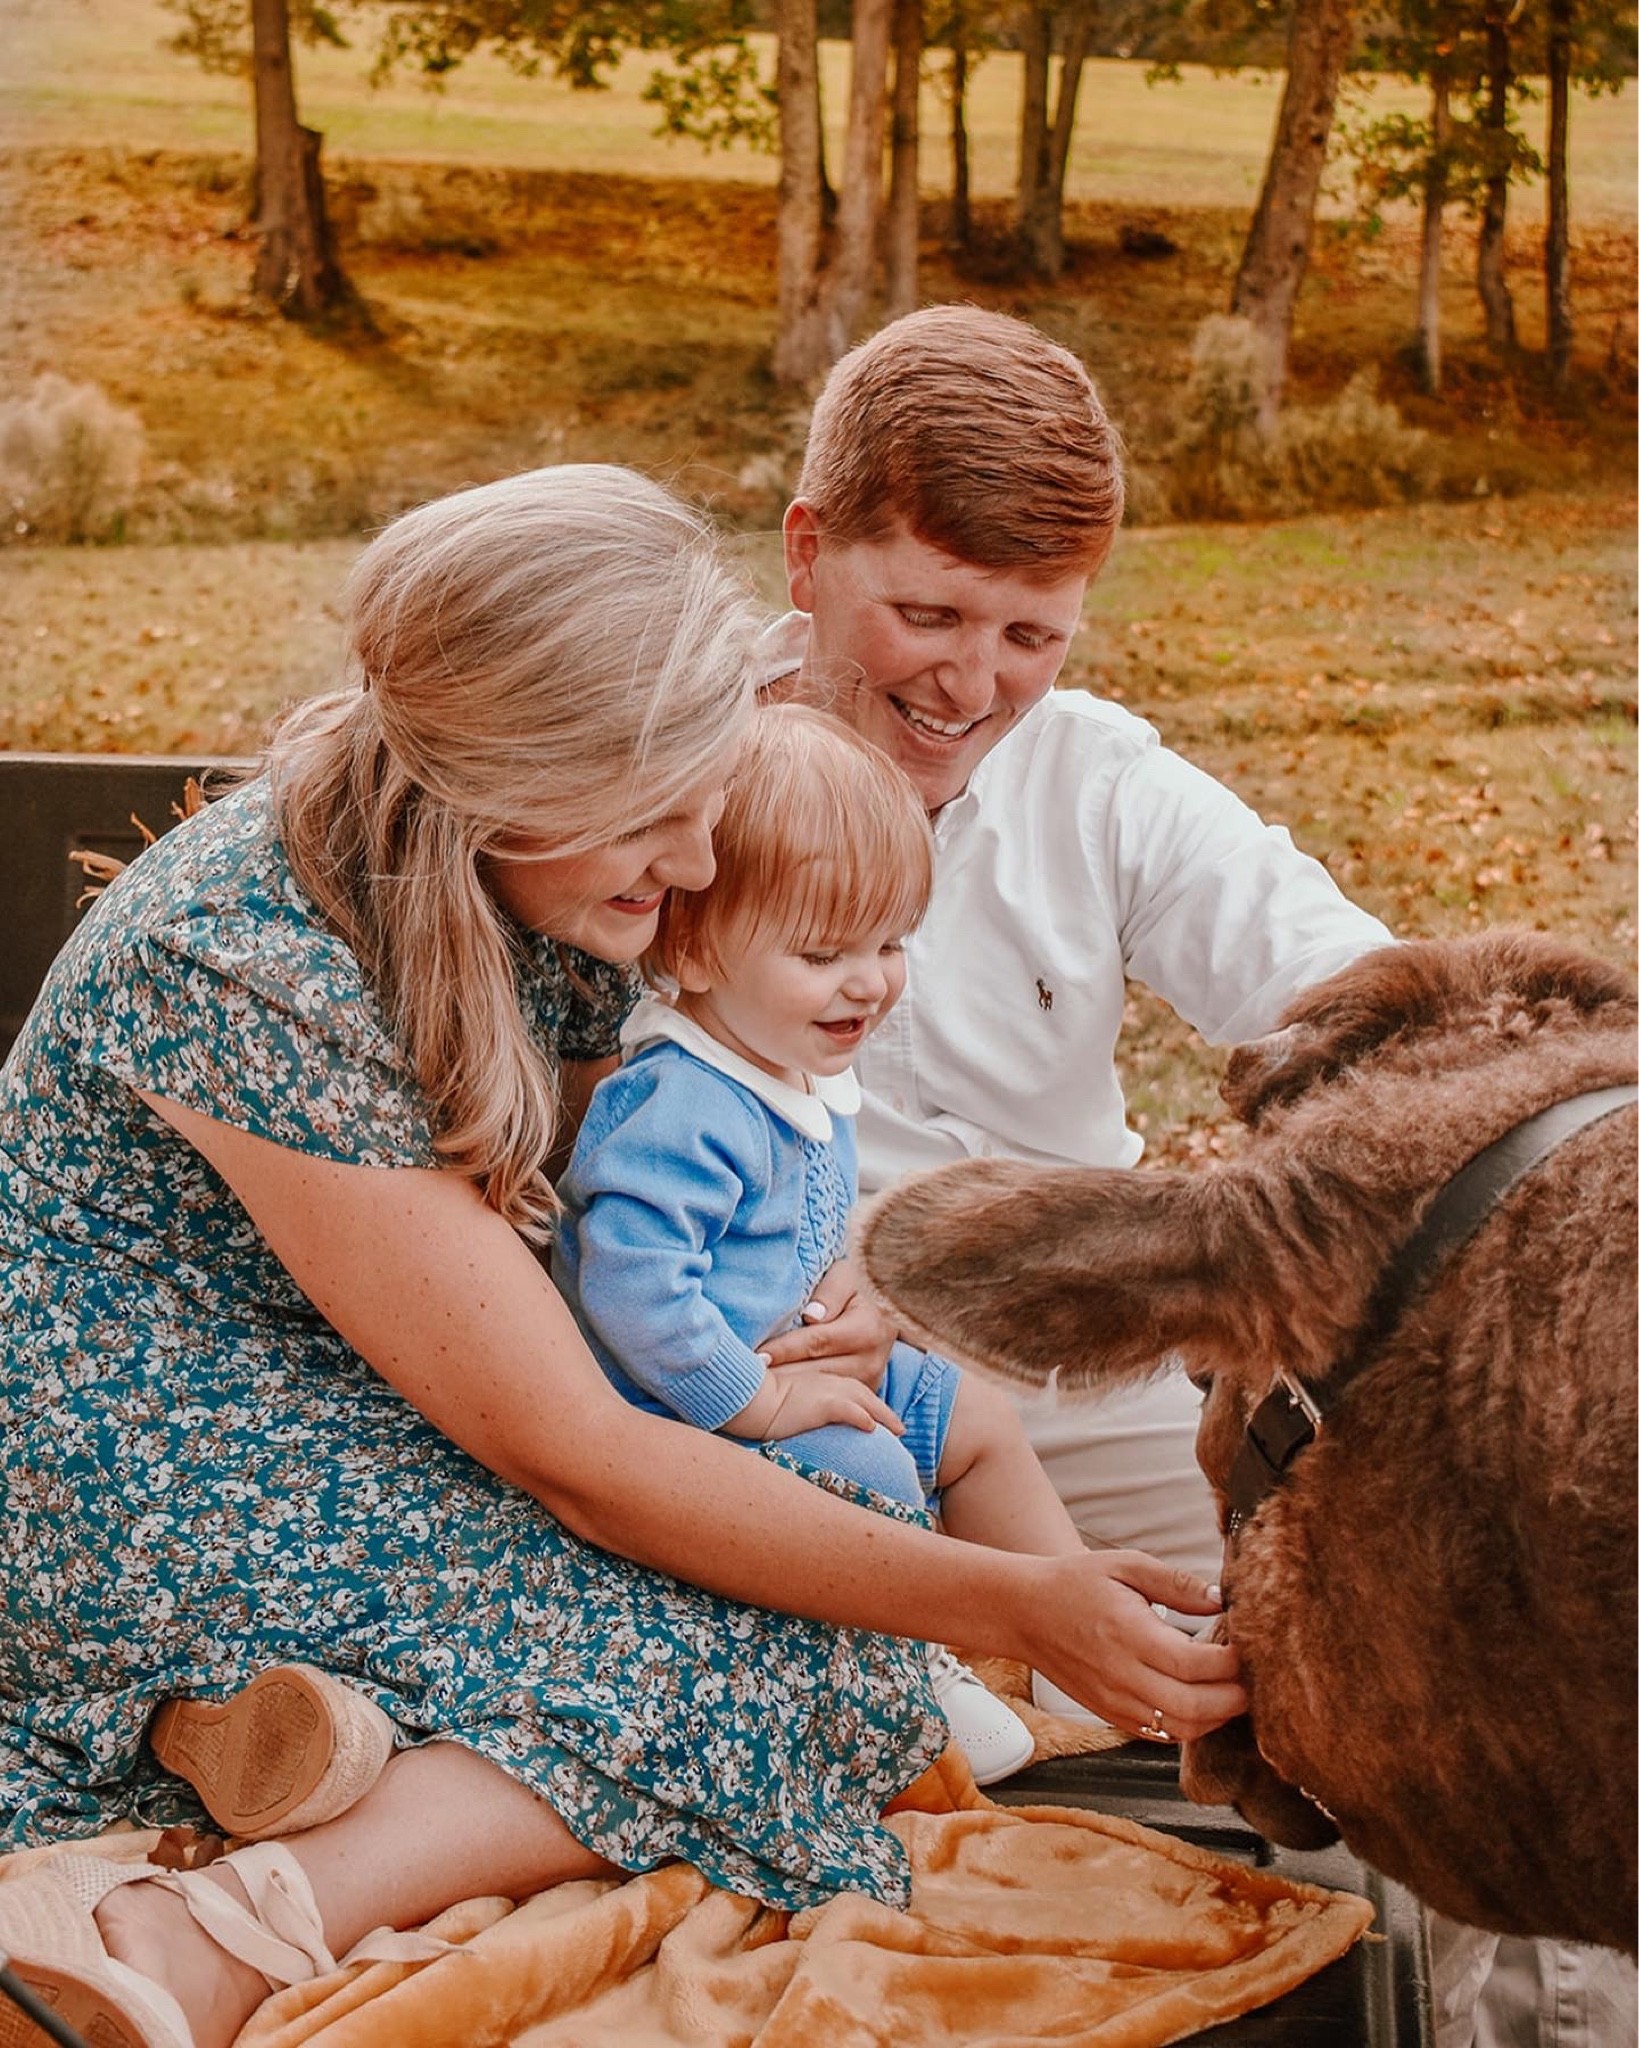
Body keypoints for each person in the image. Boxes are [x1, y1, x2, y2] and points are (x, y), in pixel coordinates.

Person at [0, 463, 1244, 2048]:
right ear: (507, 775)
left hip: (359, 1414)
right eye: (655, 812)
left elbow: (651, 1203)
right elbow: (579, 1454)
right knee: (787, 1650)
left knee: (801, 1574)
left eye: (701, 792)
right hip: (148, 1475)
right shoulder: (247, 969)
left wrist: (829, 1285)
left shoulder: (528, 878)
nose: (702, 857)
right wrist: (1014, 1603)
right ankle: (186, 1933)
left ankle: (295, 1743)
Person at [756, 307, 1635, 2047]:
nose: (966, 677)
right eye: (921, 611)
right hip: (734, 1374)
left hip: (1062, 1346)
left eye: (1027, 633)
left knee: (1439, 1618)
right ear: (805, 551)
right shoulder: (650, 756)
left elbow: (1372, 1015)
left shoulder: (1095, 781)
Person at [555, 702, 1085, 1783]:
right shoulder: (680, 1103)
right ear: (693, 945)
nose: (869, 979)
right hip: (686, 1409)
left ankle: (1073, 1623)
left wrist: (841, 1276)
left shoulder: (784, 1058)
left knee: (969, 1411)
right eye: (822, 950)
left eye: (890, 942)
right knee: (869, 1464)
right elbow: (633, 1288)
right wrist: (758, 1400)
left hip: (790, 1357)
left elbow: (800, 1216)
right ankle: (906, 1670)